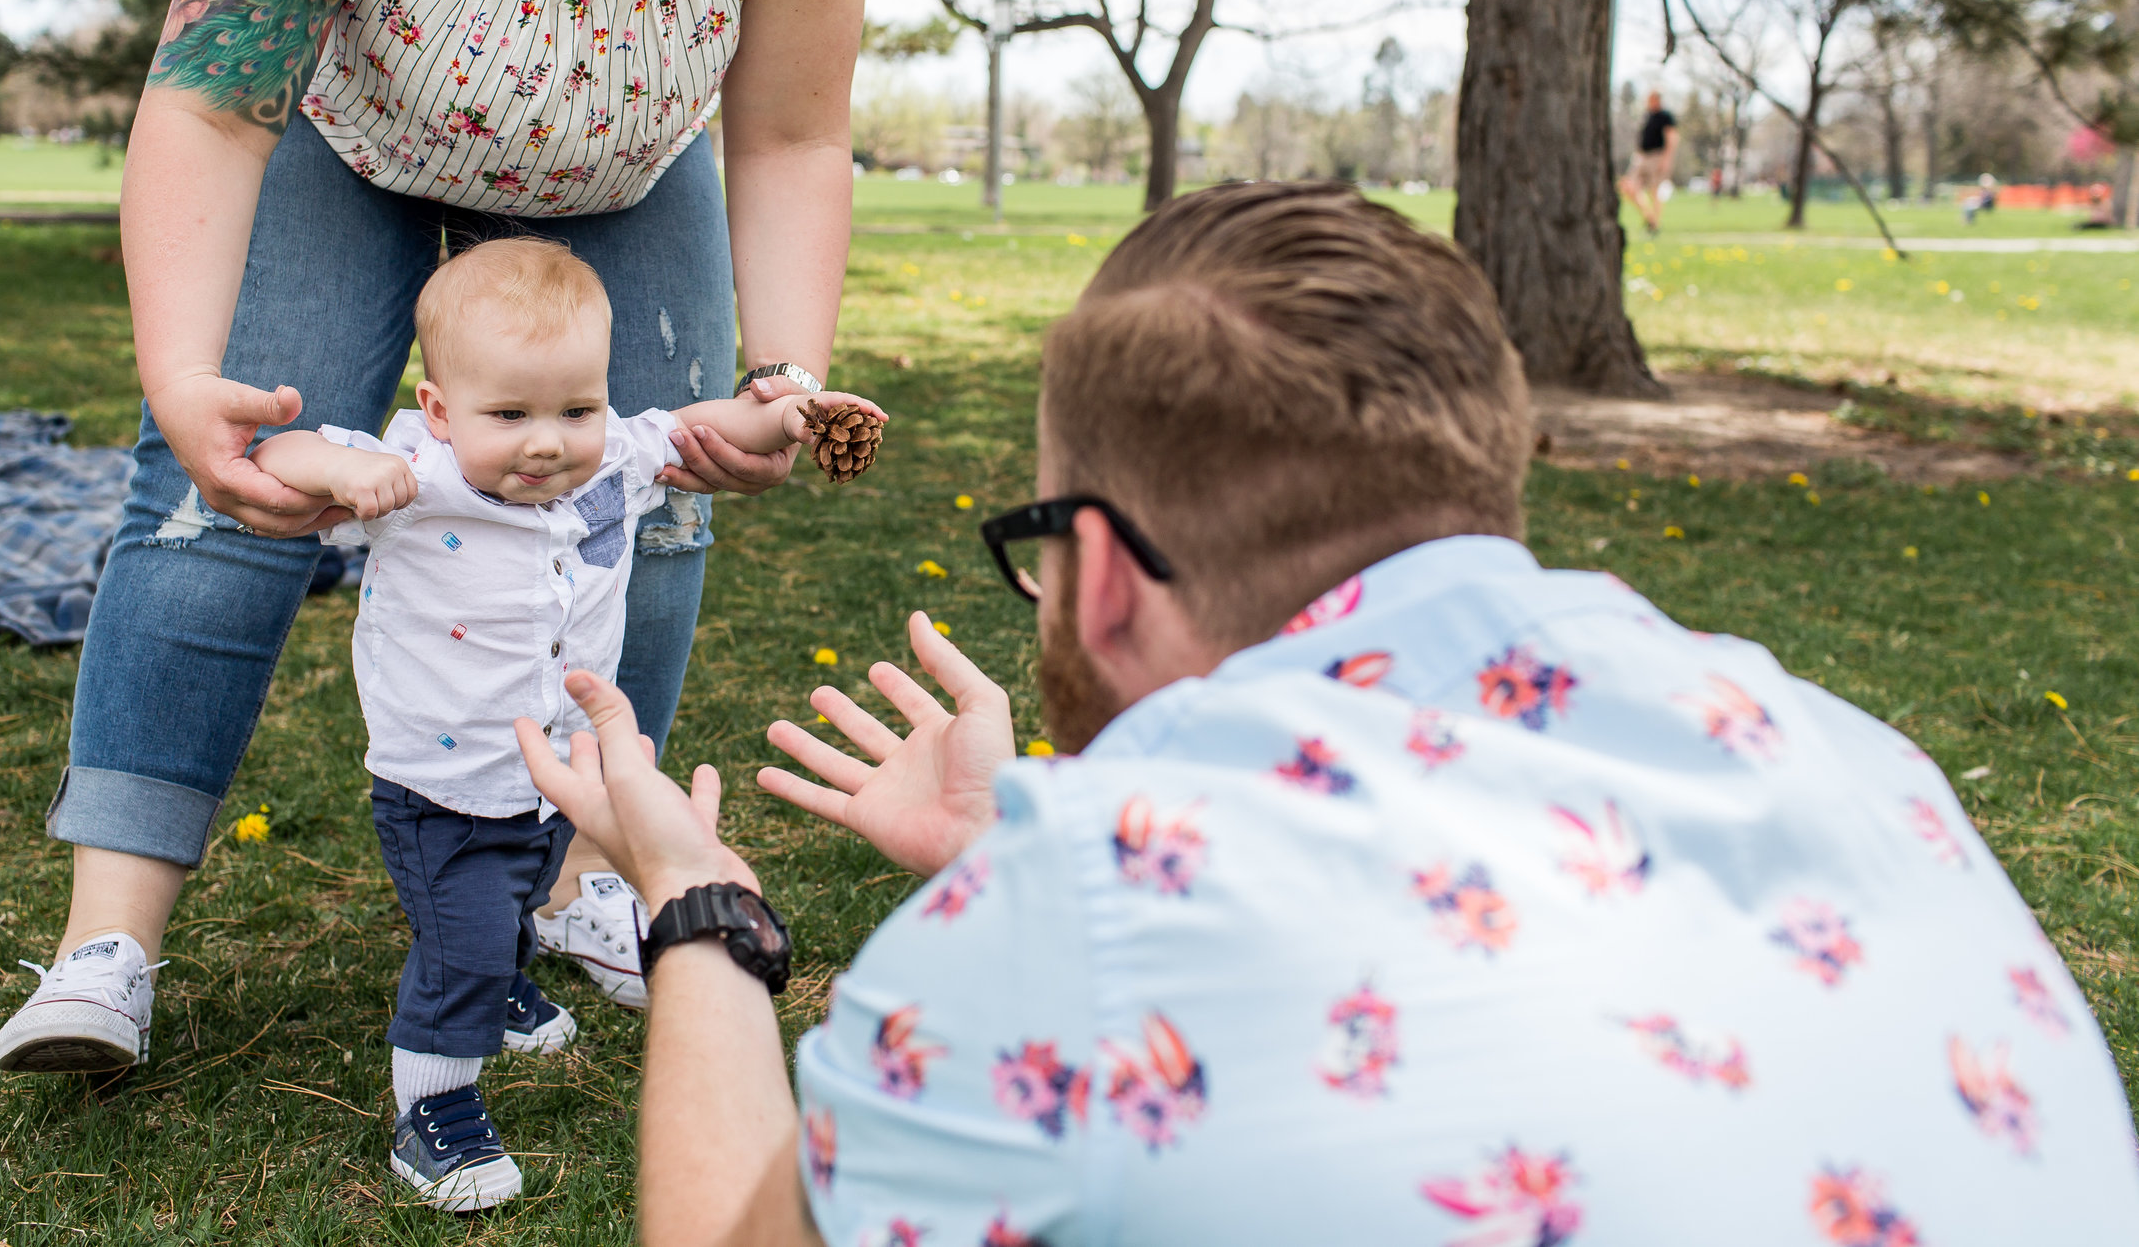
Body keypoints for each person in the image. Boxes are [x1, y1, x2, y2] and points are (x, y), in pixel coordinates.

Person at [518, 181, 2139, 1246]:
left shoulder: (1090, 899)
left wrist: (692, 898)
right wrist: (1007, 861)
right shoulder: (1851, 749)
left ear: (1095, 575)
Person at [0, 0, 883, 1074]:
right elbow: (212, 89)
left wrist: (783, 372)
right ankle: (109, 940)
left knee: (647, 521)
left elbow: (792, 130)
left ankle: (583, 874)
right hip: (355, 139)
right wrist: (182, 376)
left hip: (623, 161)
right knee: (226, 500)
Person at [242, 238, 882, 1210]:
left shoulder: (611, 461)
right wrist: (335, 464)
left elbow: (690, 425)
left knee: (528, 884)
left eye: (576, 408)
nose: (548, 440)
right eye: (510, 414)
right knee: (455, 938)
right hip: (442, 783)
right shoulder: (414, 469)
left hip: (559, 774)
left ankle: (500, 975)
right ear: (440, 408)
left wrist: (783, 412)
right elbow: (274, 454)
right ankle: (433, 1111)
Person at [1619, 90, 1679, 234]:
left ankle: (1654, 225)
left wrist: (1666, 159)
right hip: (1642, 156)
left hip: (1657, 156)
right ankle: (1650, 217)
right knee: (1628, 187)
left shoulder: (1665, 116)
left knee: (1654, 191)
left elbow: (1672, 138)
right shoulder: (1648, 116)